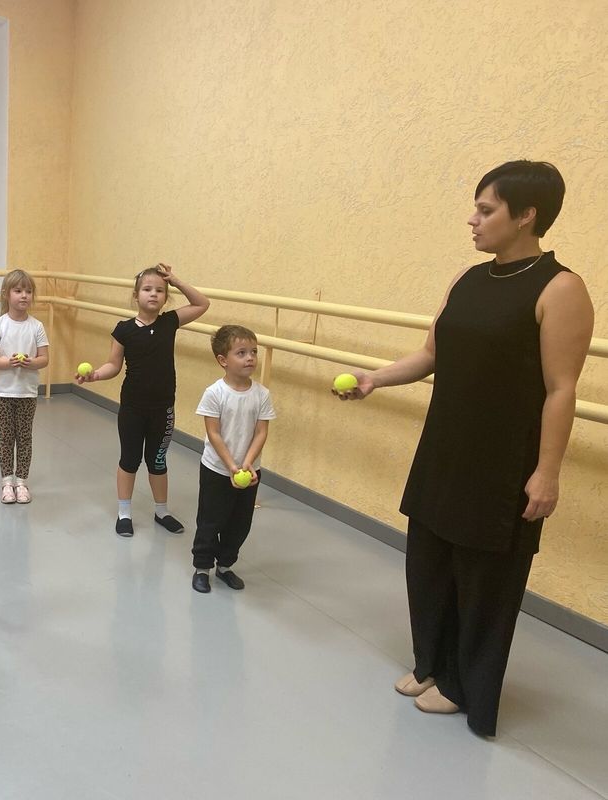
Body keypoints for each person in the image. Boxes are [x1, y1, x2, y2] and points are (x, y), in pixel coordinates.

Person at [335, 160, 594, 736]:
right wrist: (376, 378)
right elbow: (431, 354)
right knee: (428, 564)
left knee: (484, 580)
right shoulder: (468, 279)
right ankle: (432, 663)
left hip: (503, 463)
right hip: (445, 448)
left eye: (485, 209)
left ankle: (462, 684)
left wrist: (547, 472)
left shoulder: (560, 288)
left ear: (526, 215)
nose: (472, 220)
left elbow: (561, 389)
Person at [76, 263, 210, 537]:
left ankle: (162, 511)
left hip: (163, 409)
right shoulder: (123, 329)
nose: (154, 294)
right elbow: (114, 364)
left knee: (158, 461)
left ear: (166, 297)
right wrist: (96, 375)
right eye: (147, 289)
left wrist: (177, 281)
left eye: (160, 290)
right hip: (133, 408)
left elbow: (202, 304)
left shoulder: (169, 322)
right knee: (129, 459)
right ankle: (124, 512)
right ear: (136, 296)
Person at [191, 325, 275, 593]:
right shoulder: (215, 393)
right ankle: (202, 567)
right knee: (210, 521)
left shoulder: (262, 394)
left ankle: (225, 565)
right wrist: (230, 465)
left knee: (240, 524)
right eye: (241, 353)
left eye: (253, 352)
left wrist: (247, 464)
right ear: (223, 360)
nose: (250, 358)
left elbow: (261, 432)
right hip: (217, 469)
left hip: (249, 471)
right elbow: (213, 433)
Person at [0, 269, 50, 503]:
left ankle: (21, 482)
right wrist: (7, 362)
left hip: (27, 393)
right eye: (18, 290)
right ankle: (6, 482)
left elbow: (44, 359)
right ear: (6, 294)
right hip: (3, 392)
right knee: (5, 437)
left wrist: (31, 363)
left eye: (28, 291)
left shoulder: (37, 326)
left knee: (24, 437)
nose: (24, 295)